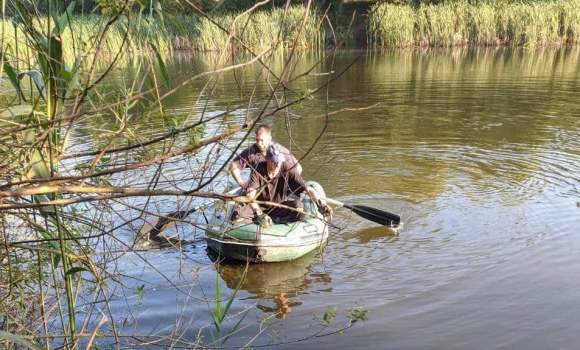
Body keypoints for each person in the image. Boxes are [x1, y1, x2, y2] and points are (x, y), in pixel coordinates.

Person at [232, 143, 332, 227]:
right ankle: (259, 222)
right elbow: (250, 196)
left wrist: (321, 205)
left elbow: (309, 190)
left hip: (278, 206)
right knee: (237, 215)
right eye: (273, 162)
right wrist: (258, 213)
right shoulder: (258, 170)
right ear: (266, 159)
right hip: (260, 207)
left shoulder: (287, 169)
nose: (276, 165)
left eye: (278, 162)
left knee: (298, 206)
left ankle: (282, 224)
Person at [230, 124, 302, 189]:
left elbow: (298, 167)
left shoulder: (280, 151)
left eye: (262, 140)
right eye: (257, 140)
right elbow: (234, 165)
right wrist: (240, 182)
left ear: (269, 139)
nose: (259, 143)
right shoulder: (250, 152)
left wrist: (288, 183)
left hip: (278, 188)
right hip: (257, 187)